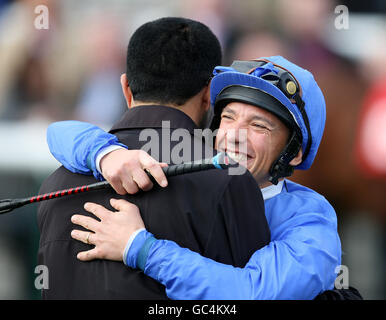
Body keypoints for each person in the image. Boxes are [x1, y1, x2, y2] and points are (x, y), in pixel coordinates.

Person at [47, 56, 344, 299]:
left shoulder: (310, 219)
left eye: (258, 125)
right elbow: (58, 133)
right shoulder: (203, 174)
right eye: (228, 118)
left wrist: (142, 249)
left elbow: (254, 294)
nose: (233, 136)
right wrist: (107, 155)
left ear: (293, 154)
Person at [37, 17, 270, 299]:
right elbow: (257, 292)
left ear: (125, 88)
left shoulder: (54, 185)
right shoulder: (228, 178)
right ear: (209, 94)